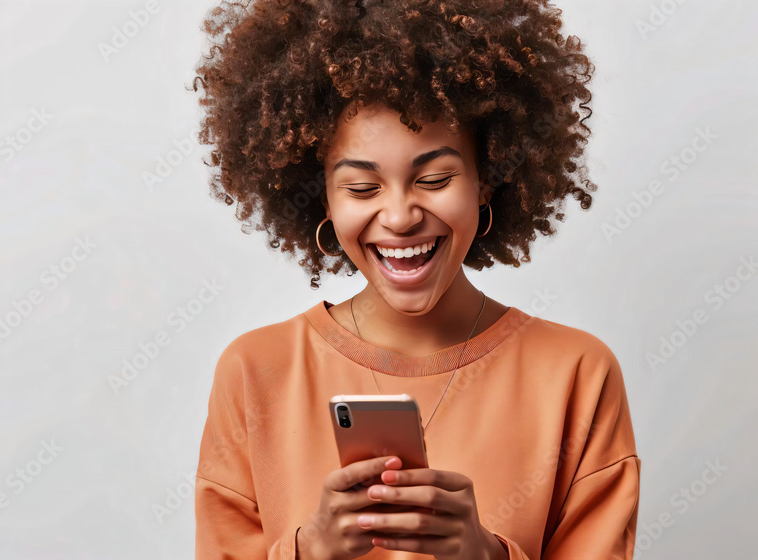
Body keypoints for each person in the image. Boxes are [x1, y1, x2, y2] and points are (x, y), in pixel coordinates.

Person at [190, 1, 640, 558]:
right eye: (361, 188)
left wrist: (486, 554)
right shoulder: (255, 372)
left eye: (434, 177)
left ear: (487, 180)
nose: (400, 216)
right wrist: (309, 549)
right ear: (321, 197)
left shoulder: (577, 374)